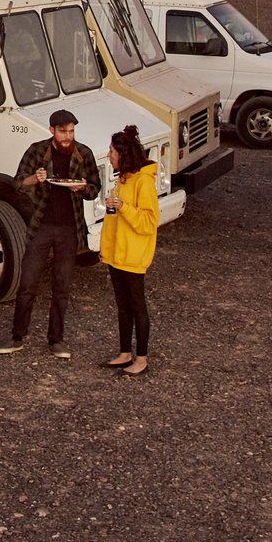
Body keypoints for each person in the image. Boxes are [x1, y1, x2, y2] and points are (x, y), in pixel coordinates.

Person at [0, 108, 101, 358]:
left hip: (69, 228)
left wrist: (82, 188)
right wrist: (35, 178)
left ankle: (56, 340)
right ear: (52, 130)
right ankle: (17, 336)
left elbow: (95, 188)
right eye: (63, 131)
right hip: (41, 226)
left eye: (72, 131)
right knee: (28, 283)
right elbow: (17, 183)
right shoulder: (37, 150)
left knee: (62, 286)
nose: (68, 136)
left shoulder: (83, 153)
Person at [99, 125, 158, 375]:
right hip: (117, 256)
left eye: (112, 151)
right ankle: (125, 353)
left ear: (123, 154)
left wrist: (123, 207)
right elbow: (115, 221)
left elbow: (149, 221)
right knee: (123, 306)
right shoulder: (123, 179)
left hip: (133, 257)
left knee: (137, 306)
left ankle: (141, 359)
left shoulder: (143, 182)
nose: (109, 155)